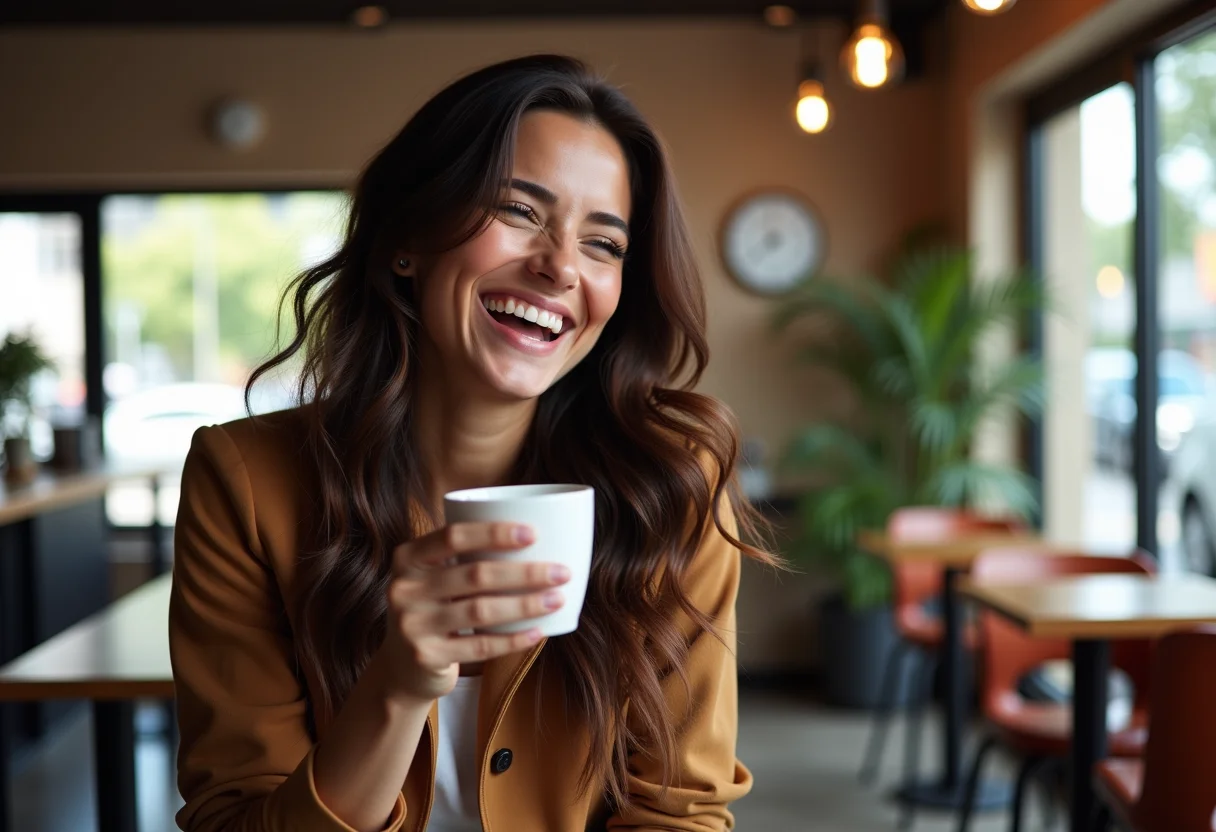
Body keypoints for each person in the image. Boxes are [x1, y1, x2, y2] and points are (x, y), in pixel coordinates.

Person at [169, 54, 774, 832]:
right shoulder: (246, 483)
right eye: (519, 211)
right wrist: (397, 684)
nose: (560, 266)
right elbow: (235, 818)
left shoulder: (672, 489)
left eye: (604, 244)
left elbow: (678, 812)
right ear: (409, 238)